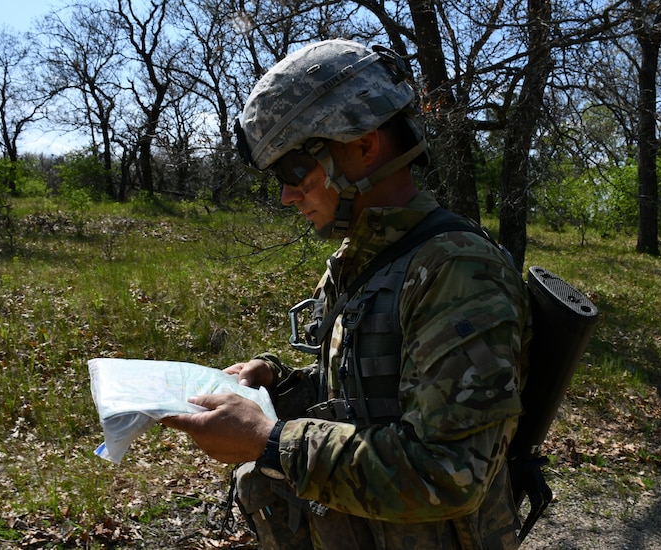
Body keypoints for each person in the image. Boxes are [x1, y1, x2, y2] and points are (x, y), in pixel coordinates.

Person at [161, 38, 532, 549]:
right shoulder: (363, 256)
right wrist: (280, 383)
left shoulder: (457, 271)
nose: (288, 195)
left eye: (295, 169)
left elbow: (448, 473)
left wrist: (270, 442)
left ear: (363, 145)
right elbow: (373, 392)